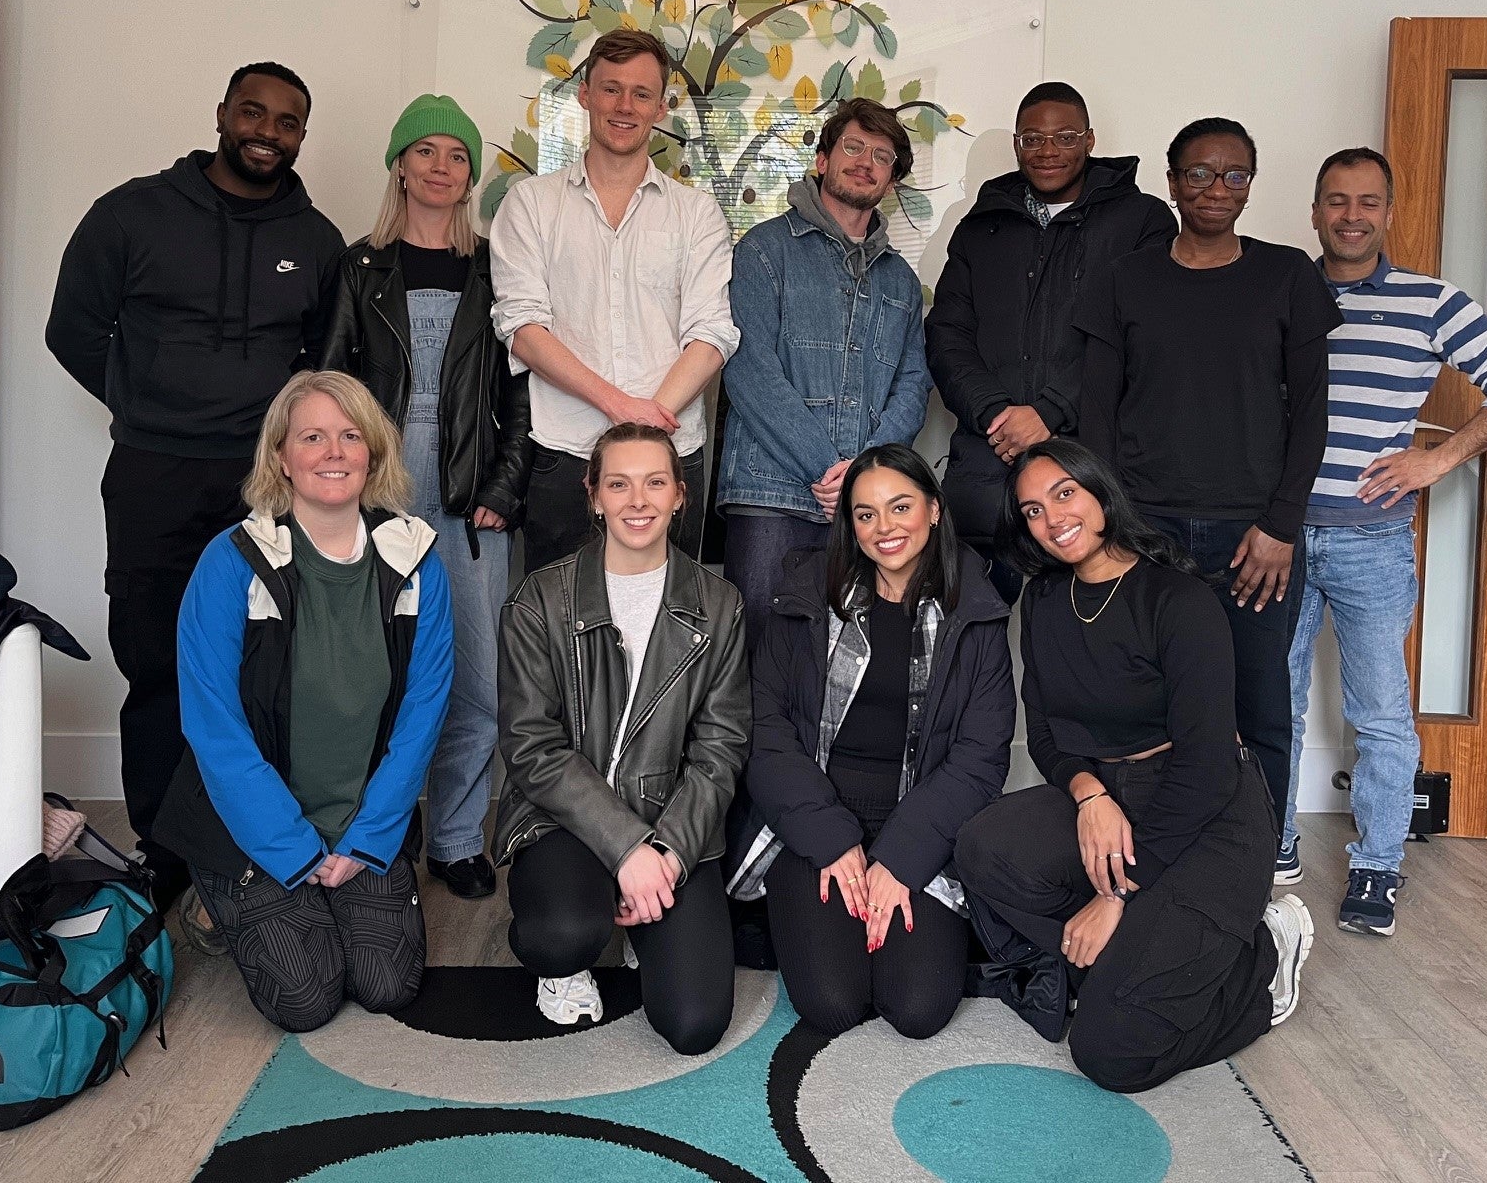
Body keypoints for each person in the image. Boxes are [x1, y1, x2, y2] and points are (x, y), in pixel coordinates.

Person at [46, 62, 345, 912]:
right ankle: (164, 844)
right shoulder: (131, 214)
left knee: (266, 667)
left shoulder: (316, 241)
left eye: (288, 121)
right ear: (222, 113)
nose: (267, 130)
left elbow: (318, 366)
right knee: (156, 663)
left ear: (300, 137)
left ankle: (254, 831)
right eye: (253, 111)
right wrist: (145, 406)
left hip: (264, 484)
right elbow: (71, 330)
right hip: (153, 474)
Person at [955, 440, 1315, 1093]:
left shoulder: (1178, 600)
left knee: (1109, 1051)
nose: (1052, 518)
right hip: (1112, 798)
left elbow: (1207, 769)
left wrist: (1116, 894)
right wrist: (1090, 794)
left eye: (1065, 494)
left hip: (1205, 814)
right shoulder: (1041, 600)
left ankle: (1262, 959)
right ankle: (1131, 962)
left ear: (1100, 493)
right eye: (1032, 509)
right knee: (984, 848)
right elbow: (1044, 737)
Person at [1281, 147, 1487, 932]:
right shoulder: (1282, 293)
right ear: (1316, 209)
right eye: (1337, 200)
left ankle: (1377, 867)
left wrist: (1439, 458)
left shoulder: (1432, 303)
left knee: (1382, 716)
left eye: (1368, 202)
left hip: (1373, 542)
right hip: (1279, 540)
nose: (1351, 215)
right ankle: (1273, 845)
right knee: (1272, 705)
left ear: (1389, 214)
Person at [151, 371, 453, 1033]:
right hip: (251, 829)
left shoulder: (415, 559)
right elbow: (214, 727)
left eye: (351, 436)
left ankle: (328, 897)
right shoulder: (229, 563)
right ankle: (212, 903)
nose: (334, 452)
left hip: (359, 818)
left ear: (373, 453)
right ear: (282, 457)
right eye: (312, 437)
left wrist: (369, 840)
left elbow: (422, 715)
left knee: (386, 985)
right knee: (306, 1000)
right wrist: (291, 850)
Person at [1075, 116, 1341, 845]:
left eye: (1234, 176)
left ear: (1250, 187)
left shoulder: (1286, 275)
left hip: (1254, 536)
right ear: (1172, 182)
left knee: (1257, 707)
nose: (1216, 188)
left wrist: (1282, 525)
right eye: (1199, 173)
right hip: (1147, 528)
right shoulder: (1127, 277)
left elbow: (1312, 412)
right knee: (1149, 702)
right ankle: (1145, 860)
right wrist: (1116, 526)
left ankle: (1253, 862)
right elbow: (1097, 412)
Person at [726, 445, 1013, 1039]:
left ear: (934, 510)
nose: (884, 528)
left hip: (923, 819)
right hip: (816, 820)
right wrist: (833, 841)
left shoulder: (976, 608)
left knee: (918, 1009)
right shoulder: (805, 598)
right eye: (865, 514)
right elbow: (767, 734)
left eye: (900, 507)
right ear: (849, 526)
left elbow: (979, 759)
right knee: (833, 1003)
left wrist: (902, 860)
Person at [321, 94, 531, 902]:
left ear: (471, 174)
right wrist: (346, 491)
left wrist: (506, 486)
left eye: (457, 156)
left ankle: (453, 838)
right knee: (376, 676)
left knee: (477, 680)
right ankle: (378, 829)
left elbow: (520, 394)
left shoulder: (495, 269)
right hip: (376, 491)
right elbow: (330, 384)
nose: (442, 168)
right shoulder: (359, 266)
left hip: (470, 498)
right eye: (426, 152)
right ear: (399, 165)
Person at [494, 423, 750, 1052]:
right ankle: (577, 935)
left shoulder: (720, 605)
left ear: (679, 495)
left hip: (671, 821)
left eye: (655, 482)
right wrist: (626, 848)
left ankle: (642, 918)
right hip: (563, 818)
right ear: (594, 495)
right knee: (563, 935)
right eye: (619, 483)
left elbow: (720, 748)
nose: (638, 500)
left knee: (695, 1025)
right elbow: (532, 744)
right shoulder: (539, 600)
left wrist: (665, 854)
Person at [489, 30, 740, 572]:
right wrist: (621, 409)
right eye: (611, 89)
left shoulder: (696, 214)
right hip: (565, 456)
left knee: (672, 629)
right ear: (584, 94)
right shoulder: (530, 205)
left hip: (672, 462)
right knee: (561, 631)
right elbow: (524, 328)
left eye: (642, 93)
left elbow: (712, 333)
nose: (625, 106)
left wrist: (646, 430)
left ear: (662, 105)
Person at [926, 82, 1176, 602]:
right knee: (966, 634)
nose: (1047, 151)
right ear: (1017, 146)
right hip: (986, 468)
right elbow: (947, 334)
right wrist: (997, 412)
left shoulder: (1142, 222)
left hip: (1093, 471)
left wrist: (1050, 411)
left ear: (1089, 140)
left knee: (1085, 639)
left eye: (1064, 137)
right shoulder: (979, 228)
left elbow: (1143, 339)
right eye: (1032, 138)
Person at [717, 98, 932, 656]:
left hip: (867, 506)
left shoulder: (903, 283)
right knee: (761, 658)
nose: (865, 162)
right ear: (822, 160)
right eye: (853, 148)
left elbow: (913, 386)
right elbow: (748, 370)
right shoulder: (763, 251)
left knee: (847, 660)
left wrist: (862, 477)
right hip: (771, 498)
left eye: (881, 156)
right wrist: (830, 468)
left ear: (891, 180)